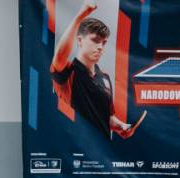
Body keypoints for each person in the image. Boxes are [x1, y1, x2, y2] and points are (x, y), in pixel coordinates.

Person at [50, 1, 143, 139]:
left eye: (103, 43)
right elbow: (60, 55)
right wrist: (81, 15)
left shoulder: (104, 77)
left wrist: (121, 126)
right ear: (79, 41)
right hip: (74, 147)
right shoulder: (67, 72)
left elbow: (107, 117)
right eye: (95, 40)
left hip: (103, 149)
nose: (100, 47)